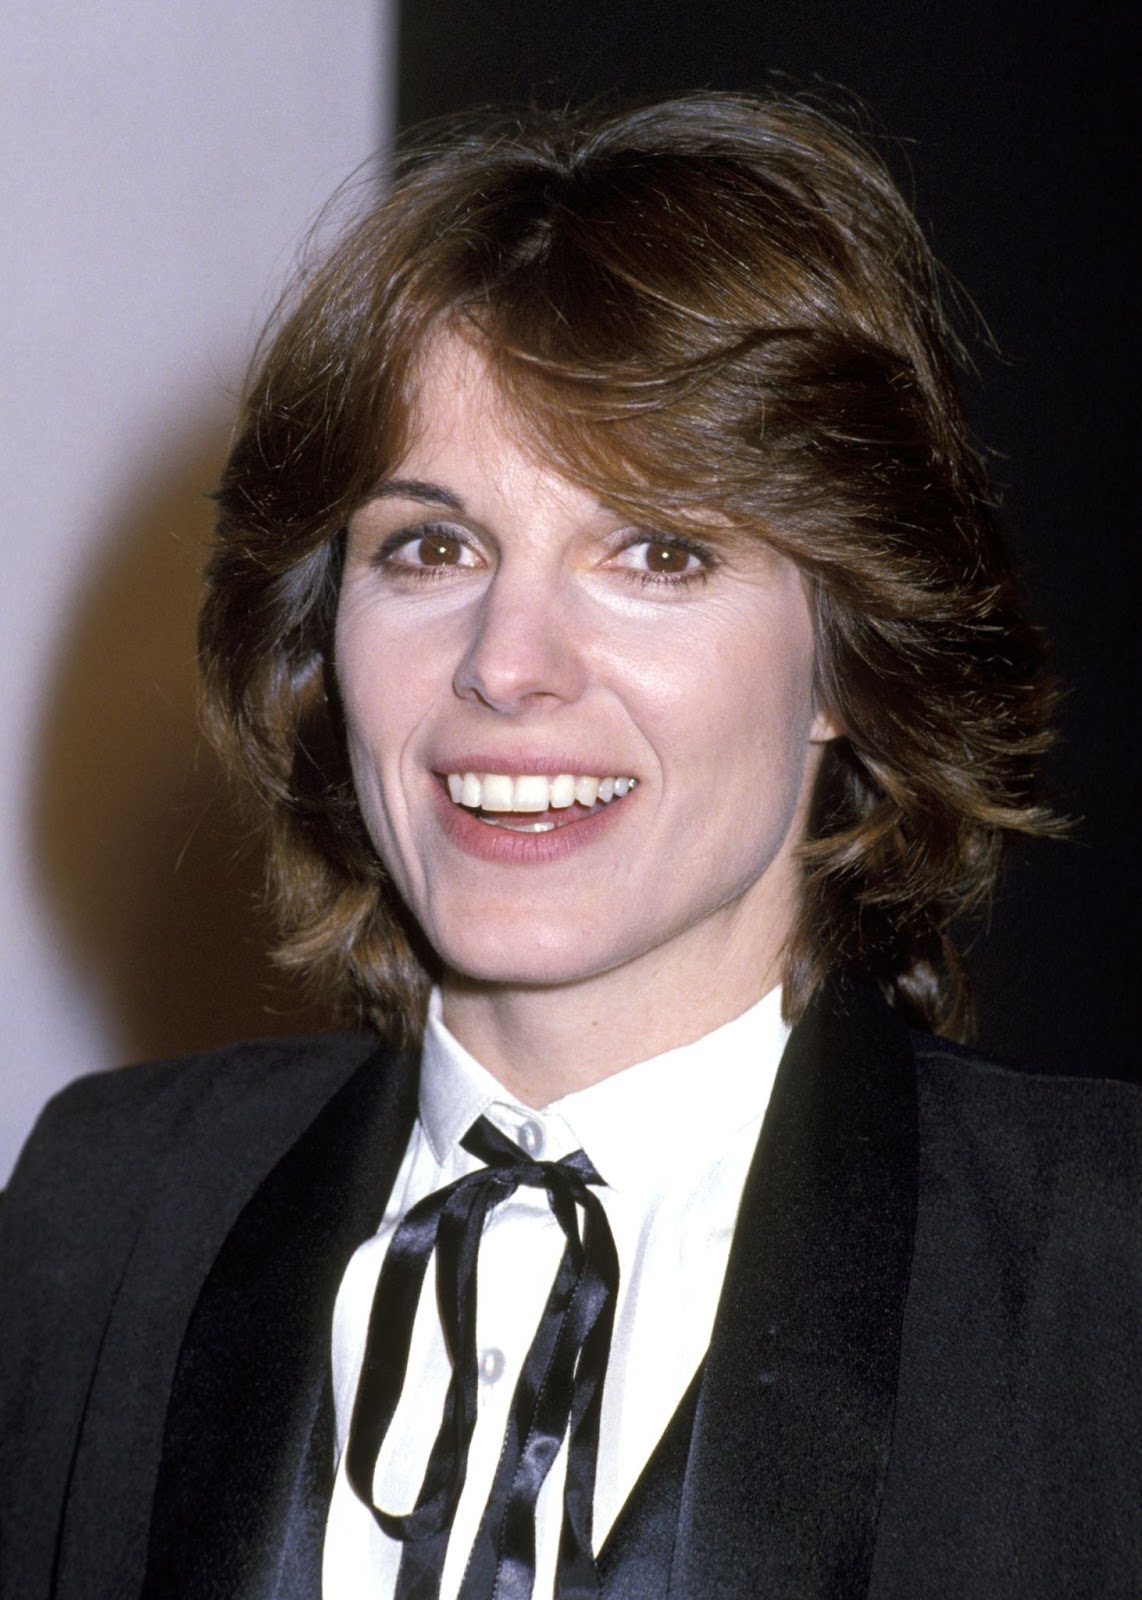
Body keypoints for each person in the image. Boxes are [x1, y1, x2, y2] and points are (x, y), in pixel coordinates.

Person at [1, 93, 1138, 1600]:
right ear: (321, 644)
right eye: (430, 547)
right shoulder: (113, 1199)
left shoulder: (1097, 1262)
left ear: (850, 660)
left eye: (656, 551)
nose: (507, 661)